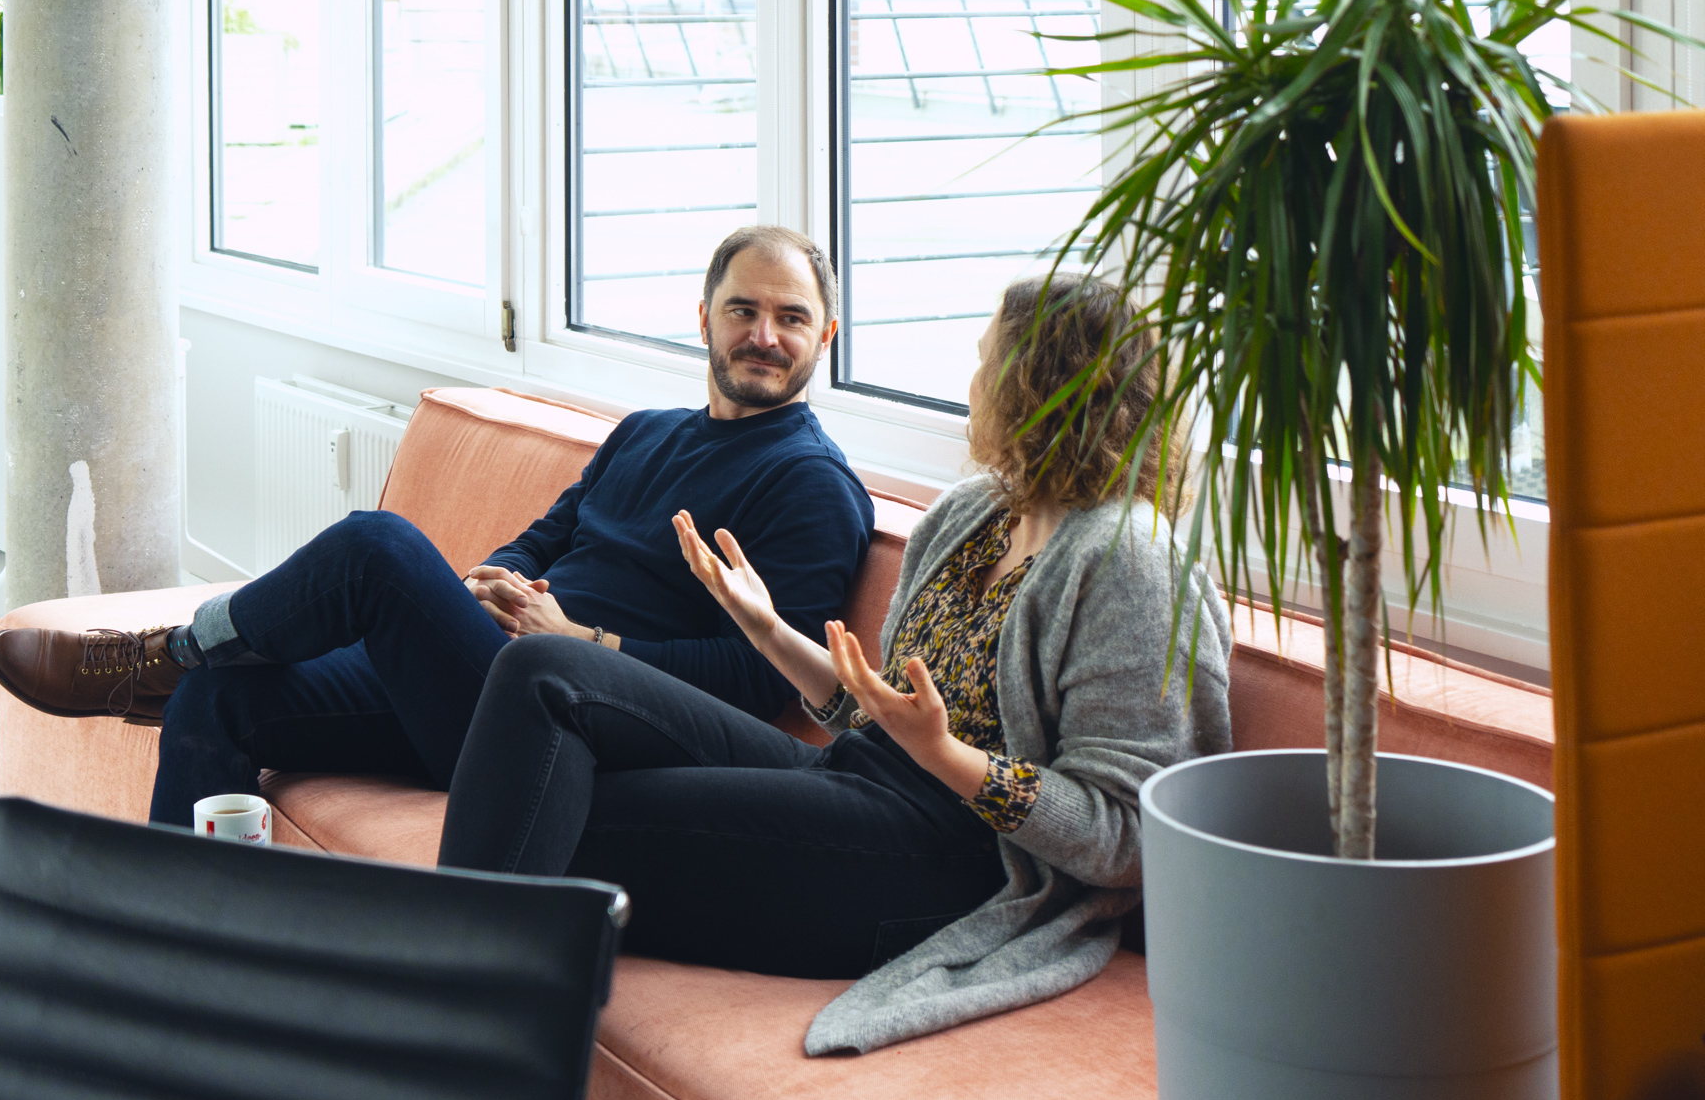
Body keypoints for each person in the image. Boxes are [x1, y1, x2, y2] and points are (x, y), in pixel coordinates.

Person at [434, 273, 1234, 1055]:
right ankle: (452, 1016)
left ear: (1037, 388)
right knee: (544, 673)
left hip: (950, 868)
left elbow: (1131, 834)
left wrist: (946, 757)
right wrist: (768, 630)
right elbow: (881, 717)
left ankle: (455, 1046)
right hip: (856, 779)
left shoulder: (1131, 561)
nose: (975, 381)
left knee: (545, 815)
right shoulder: (976, 512)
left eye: (988, 361)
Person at [0, 226, 876, 825]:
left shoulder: (811, 485)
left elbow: (762, 683)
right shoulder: (645, 433)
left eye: (791, 318)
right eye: (744, 311)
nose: (765, 334)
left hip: (575, 729)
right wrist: (491, 582)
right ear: (704, 320)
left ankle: (164, 652)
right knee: (225, 698)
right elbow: (547, 537)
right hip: (486, 674)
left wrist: (585, 640)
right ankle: (176, 953)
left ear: (825, 334)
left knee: (377, 547)